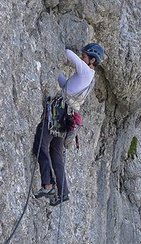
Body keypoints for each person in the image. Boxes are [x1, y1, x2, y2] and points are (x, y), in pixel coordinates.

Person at [33, 43, 105, 206]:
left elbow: (67, 52)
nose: (82, 57)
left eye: (85, 56)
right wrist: (53, 71)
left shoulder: (86, 71)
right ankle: (63, 192)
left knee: (41, 144)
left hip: (59, 112)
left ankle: (48, 185)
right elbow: (66, 86)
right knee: (56, 154)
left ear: (92, 60)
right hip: (67, 115)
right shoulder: (89, 77)